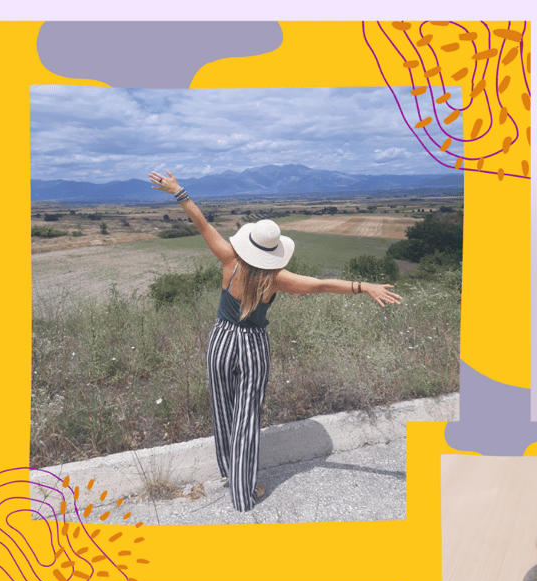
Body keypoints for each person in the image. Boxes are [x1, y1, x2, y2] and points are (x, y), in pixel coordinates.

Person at [149, 170, 401, 512]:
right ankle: (243, 494)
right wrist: (363, 286)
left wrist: (178, 191)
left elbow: (202, 224)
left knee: (223, 410)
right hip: (252, 345)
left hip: (221, 341)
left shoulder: (228, 259)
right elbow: (321, 285)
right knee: (247, 418)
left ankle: (229, 473)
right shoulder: (277, 279)